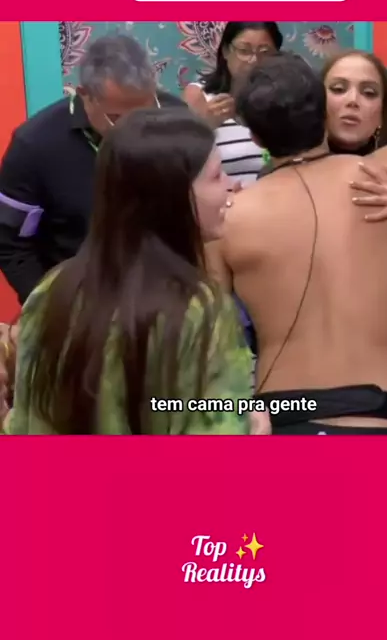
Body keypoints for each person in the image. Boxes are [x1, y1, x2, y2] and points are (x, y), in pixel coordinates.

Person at [207, 52, 387, 434]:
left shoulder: (227, 219)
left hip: (281, 415)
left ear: (253, 136)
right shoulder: (379, 177)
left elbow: (210, 343)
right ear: (324, 114)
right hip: (379, 413)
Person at [2, 107, 269, 435]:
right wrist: (249, 425)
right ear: (171, 195)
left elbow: (25, 425)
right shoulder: (199, 310)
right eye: (216, 176)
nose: (232, 186)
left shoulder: (50, 292)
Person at [0, 34, 188, 305]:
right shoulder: (34, 145)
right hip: (82, 305)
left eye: (147, 112)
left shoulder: (177, 119)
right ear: (85, 96)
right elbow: (10, 243)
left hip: (170, 297)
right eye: (117, 117)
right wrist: (49, 308)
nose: (135, 126)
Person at [184, 22, 283, 189]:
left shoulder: (283, 99)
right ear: (225, 51)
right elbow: (181, 163)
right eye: (244, 51)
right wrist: (206, 125)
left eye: (265, 53)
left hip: (274, 199)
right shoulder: (199, 95)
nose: (254, 60)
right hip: (222, 201)